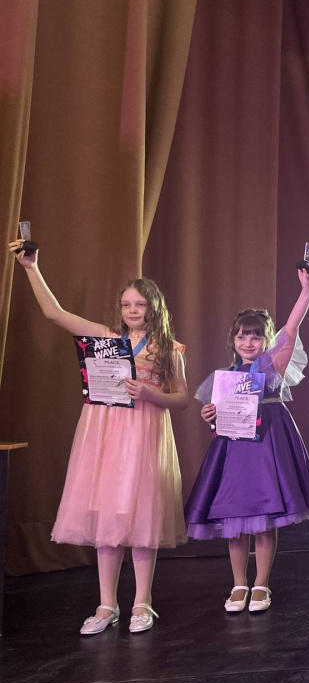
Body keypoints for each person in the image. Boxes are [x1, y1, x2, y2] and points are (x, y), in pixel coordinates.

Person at [9, 238, 188, 634]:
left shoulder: (168, 348)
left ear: (154, 307)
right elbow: (56, 314)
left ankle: (142, 602)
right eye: (126, 305)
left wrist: (150, 394)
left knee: (142, 518)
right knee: (108, 517)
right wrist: (31, 268)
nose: (132, 311)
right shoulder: (106, 339)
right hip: (105, 436)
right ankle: (107, 604)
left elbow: (182, 399)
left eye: (139, 305)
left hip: (143, 435)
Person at [185, 266, 309, 614]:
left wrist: (306, 291)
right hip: (233, 450)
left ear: (266, 341)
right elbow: (216, 415)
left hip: (266, 445)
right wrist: (209, 415)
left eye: (256, 337)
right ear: (233, 341)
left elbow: (291, 328)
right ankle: (238, 583)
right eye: (242, 337)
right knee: (234, 517)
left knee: (264, 515)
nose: (248, 343)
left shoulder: (270, 366)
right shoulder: (225, 376)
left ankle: (261, 583)